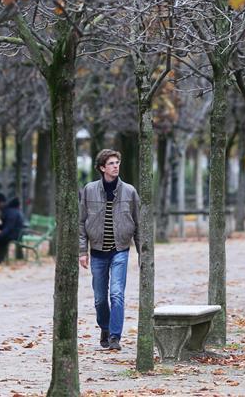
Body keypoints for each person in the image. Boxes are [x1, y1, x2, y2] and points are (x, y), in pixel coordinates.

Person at [79, 149, 140, 351]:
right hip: (97, 252)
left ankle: (115, 336)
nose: (116, 166)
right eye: (111, 163)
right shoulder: (89, 190)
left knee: (116, 294)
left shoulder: (130, 192)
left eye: (117, 162)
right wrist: (82, 251)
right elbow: (81, 223)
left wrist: (142, 253)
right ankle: (104, 327)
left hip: (120, 250)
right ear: (102, 168)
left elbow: (139, 224)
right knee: (99, 298)